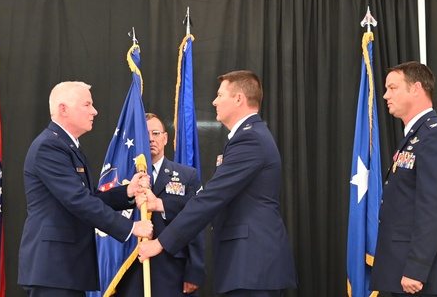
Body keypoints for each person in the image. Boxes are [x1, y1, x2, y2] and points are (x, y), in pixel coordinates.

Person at [138, 70, 297, 297]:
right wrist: (162, 206)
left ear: (239, 99)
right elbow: (215, 197)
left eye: (220, 95)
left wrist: (160, 243)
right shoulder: (246, 137)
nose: (214, 101)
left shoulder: (250, 139)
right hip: (247, 265)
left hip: (252, 264)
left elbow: (212, 197)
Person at [18, 81, 153, 297]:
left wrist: (127, 192)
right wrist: (130, 228)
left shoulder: (69, 146)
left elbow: (89, 197)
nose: (95, 111)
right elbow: (78, 200)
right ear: (64, 109)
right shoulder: (49, 147)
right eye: (87, 105)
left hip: (67, 267)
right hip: (54, 267)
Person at [370, 61, 437, 297]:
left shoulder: (435, 136)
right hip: (403, 271)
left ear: (416, 88)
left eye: (393, 88)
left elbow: (435, 209)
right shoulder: (415, 137)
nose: (386, 95)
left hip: (425, 280)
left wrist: (417, 268)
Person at [114, 113, 206, 297]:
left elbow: (197, 224)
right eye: (144, 133)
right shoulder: (121, 177)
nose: (150, 138)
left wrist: (195, 270)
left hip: (172, 271)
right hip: (129, 271)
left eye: (155, 133)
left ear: (165, 138)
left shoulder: (187, 176)